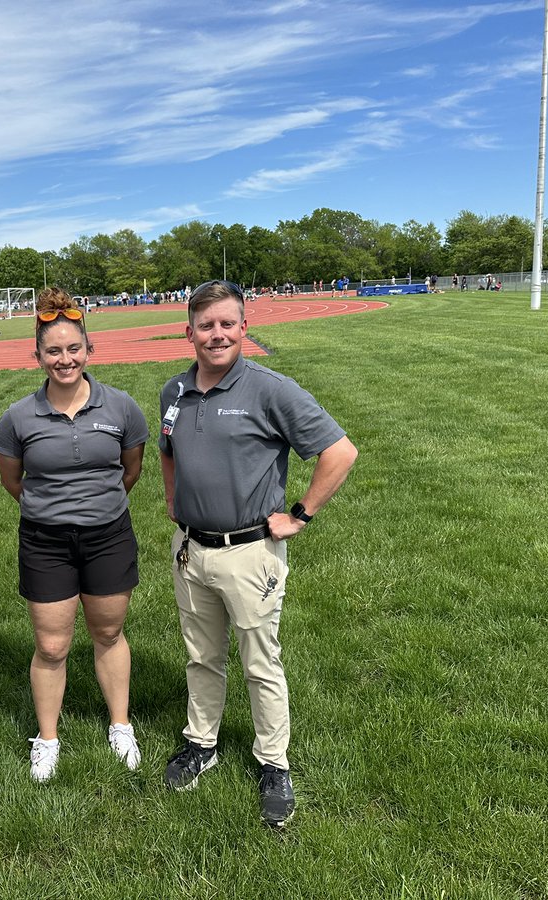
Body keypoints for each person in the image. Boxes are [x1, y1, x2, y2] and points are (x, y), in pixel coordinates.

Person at [157, 279, 358, 827]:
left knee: (260, 661)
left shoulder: (271, 389)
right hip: (192, 548)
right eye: (206, 325)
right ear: (190, 332)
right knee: (202, 655)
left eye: (227, 323)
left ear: (245, 327)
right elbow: (168, 452)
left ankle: (274, 762)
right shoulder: (173, 391)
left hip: (251, 551)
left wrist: (300, 514)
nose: (216, 335)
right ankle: (202, 742)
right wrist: (174, 500)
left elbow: (340, 452)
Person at [0, 288, 147, 783]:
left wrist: (92, 507)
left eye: (73, 349)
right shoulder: (18, 417)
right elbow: (13, 481)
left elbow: (130, 470)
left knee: (108, 633)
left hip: (108, 536)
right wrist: (53, 510)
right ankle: (48, 739)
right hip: (45, 542)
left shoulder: (121, 407)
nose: (65, 359)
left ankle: (120, 726)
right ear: (37, 356)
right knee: (52, 646)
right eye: (53, 351)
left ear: (89, 351)